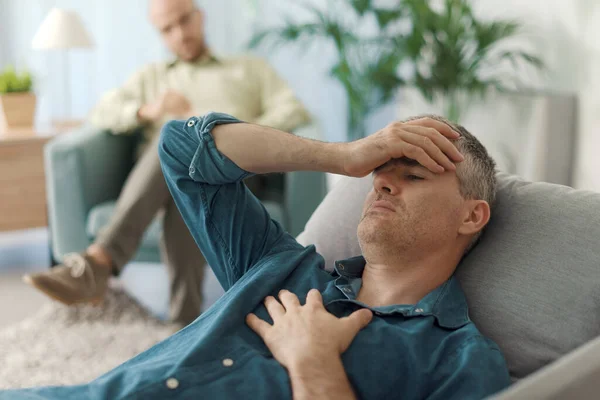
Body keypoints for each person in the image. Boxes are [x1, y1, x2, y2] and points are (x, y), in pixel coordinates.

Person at [3, 112, 511, 399]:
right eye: (381, 172)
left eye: (414, 175)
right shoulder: (280, 265)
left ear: (471, 216)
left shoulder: (457, 360)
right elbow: (182, 148)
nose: (382, 183)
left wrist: (313, 364)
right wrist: (343, 156)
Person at [22, 0, 310, 325]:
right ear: (159, 34)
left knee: (176, 144)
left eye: (185, 21)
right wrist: (148, 110)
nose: (180, 34)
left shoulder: (248, 69)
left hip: (235, 169)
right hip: (169, 180)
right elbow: (103, 111)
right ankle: (183, 320)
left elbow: (292, 109)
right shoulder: (153, 77)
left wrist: (236, 132)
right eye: (167, 29)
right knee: (177, 157)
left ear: (200, 17)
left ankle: (98, 264)